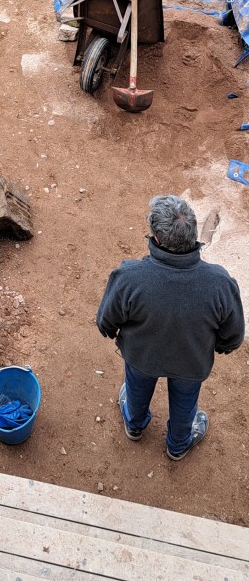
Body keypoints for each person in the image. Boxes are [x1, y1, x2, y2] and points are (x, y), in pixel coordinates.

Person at [96, 195, 244, 461]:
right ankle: (177, 445)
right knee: (185, 404)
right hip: (191, 363)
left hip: (141, 357)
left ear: (157, 239)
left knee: (136, 391)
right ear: (192, 234)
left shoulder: (129, 277)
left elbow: (106, 321)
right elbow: (233, 336)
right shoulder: (220, 283)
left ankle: (134, 425)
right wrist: (216, 347)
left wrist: (112, 332)